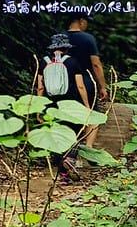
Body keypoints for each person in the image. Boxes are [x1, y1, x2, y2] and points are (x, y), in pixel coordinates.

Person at [37, 33, 90, 182]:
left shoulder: (44, 62)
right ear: (66, 48)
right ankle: (70, 158)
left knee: (57, 137)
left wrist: (39, 110)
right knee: (76, 133)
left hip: (51, 106)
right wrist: (86, 105)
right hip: (70, 104)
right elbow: (80, 85)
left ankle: (63, 176)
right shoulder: (72, 62)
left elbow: (40, 88)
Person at [66, 13, 108, 148]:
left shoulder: (59, 38)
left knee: (65, 115)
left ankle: (65, 150)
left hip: (62, 83)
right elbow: (96, 64)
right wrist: (103, 86)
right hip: (85, 81)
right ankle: (88, 149)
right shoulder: (88, 39)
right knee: (91, 115)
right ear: (81, 21)